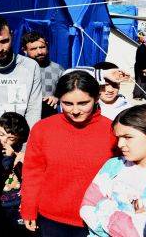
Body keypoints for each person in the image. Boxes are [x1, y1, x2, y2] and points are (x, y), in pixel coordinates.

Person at [20, 71, 118, 237]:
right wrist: (29, 207)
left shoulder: (112, 130)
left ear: (96, 98)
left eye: (83, 103)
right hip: (51, 219)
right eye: (67, 103)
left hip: (96, 220)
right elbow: (33, 172)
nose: (75, 110)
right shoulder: (43, 129)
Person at [81, 104, 146, 237]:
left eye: (127, 137)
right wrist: (129, 219)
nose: (119, 144)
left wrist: (103, 205)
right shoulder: (114, 165)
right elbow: (87, 208)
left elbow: (142, 232)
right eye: (118, 138)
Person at [0, 112, 30, 236]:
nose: (3, 140)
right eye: (0, 134)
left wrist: (11, 157)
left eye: (11, 138)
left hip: (16, 206)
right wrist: (7, 158)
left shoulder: (19, 155)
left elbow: (24, 177)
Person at [21, 31, 64, 118]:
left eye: (42, 47)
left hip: (49, 118)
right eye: (33, 49)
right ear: (24, 50)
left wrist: (57, 98)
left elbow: (68, 93)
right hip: (24, 117)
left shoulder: (58, 69)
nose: (40, 52)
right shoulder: (18, 69)